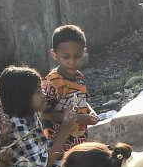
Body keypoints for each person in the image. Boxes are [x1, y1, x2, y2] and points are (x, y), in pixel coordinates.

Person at [0, 65, 74, 167]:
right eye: (39, 92)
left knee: (71, 162)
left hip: (31, 164)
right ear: (22, 98)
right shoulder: (15, 122)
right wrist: (65, 130)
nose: (44, 94)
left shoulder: (31, 116)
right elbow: (44, 161)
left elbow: (45, 147)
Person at [41, 25, 100, 153]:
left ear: (83, 53)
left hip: (79, 140)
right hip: (58, 146)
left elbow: (82, 99)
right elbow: (44, 113)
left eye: (77, 56)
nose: (72, 62)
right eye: (66, 57)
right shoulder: (52, 82)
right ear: (54, 54)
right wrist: (78, 118)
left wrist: (91, 112)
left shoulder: (79, 77)